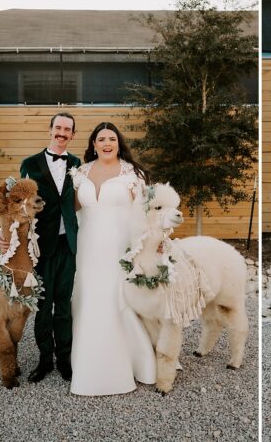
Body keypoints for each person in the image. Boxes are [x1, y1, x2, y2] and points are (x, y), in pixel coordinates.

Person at [66, 122, 157, 395]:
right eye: (101, 139)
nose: (107, 143)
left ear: (119, 143)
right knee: (87, 300)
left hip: (119, 249)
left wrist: (153, 243)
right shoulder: (79, 173)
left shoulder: (133, 174)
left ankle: (130, 363)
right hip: (87, 247)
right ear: (93, 144)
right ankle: (86, 364)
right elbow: (70, 212)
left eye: (112, 139)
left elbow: (148, 213)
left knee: (115, 300)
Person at [11, 112, 81, 383]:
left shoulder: (77, 163)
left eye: (68, 129)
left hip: (68, 244)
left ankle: (65, 359)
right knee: (42, 303)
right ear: (50, 129)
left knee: (64, 304)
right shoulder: (29, 164)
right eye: (58, 127)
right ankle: (44, 360)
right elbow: (19, 204)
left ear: (73, 135)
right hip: (40, 245)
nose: (62, 133)